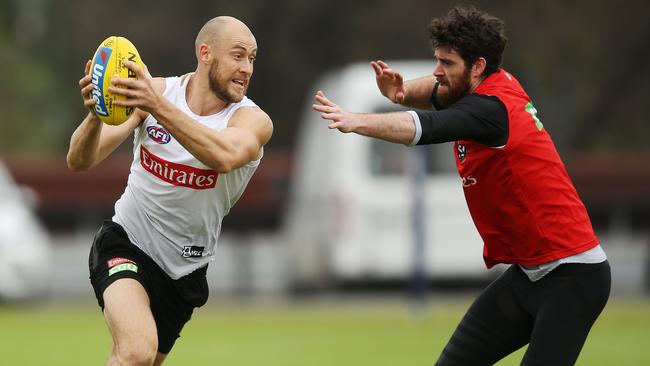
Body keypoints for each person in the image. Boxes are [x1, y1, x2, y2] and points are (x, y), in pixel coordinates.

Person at [312, 6, 610, 366]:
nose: (438, 72)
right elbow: (438, 91)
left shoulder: (490, 110)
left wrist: (357, 120)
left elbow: (424, 128)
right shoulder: (493, 85)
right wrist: (402, 90)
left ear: (479, 66)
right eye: (437, 60)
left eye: (447, 63)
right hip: (530, 275)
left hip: (573, 277)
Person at [67, 16, 272, 365]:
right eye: (238, 56)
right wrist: (95, 115)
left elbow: (223, 156)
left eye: (252, 59)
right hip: (127, 241)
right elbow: (80, 160)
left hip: (185, 271)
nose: (247, 68)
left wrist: (156, 107)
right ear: (205, 53)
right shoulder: (160, 93)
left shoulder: (252, 121)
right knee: (135, 353)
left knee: (133, 359)